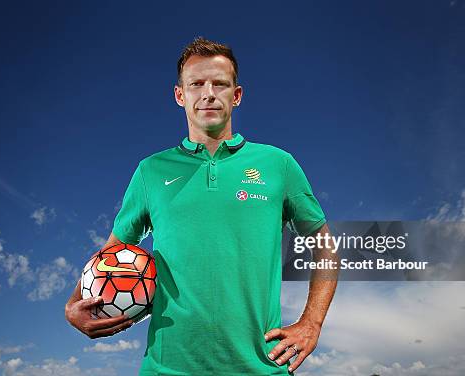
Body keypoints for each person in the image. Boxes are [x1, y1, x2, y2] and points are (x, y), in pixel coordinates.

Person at [65, 37, 338, 375]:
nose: (208, 93)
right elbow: (113, 253)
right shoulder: (151, 171)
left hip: (261, 366)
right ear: (180, 95)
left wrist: (311, 322)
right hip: (168, 368)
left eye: (220, 84)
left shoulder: (278, 164)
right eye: (196, 84)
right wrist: (72, 305)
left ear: (236, 96)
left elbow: (324, 244)